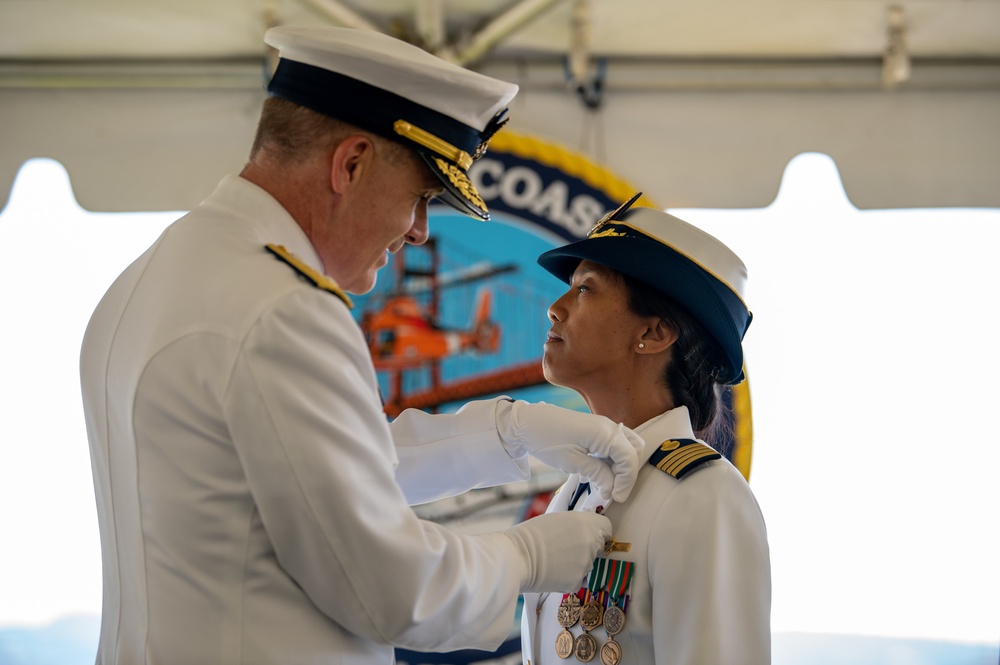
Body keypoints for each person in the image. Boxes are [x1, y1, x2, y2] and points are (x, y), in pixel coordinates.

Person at [80, 26, 645, 664]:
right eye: (420, 198)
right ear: (351, 165)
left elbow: (308, 477)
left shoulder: (164, 273)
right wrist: (527, 556)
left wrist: (505, 433)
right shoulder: (283, 309)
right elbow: (392, 588)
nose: (421, 233)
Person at [520, 195, 772, 665]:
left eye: (585, 290)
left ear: (654, 334)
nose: (555, 308)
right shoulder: (579, 487)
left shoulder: (703, 495)